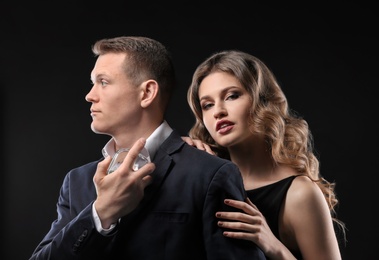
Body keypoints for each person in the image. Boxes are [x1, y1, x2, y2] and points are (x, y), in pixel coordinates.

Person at [29, 37, 266, 259]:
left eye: (103, 82)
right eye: (92, 84)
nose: (90, 96)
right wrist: (100, 214)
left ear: (147, 93)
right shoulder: (77, 182)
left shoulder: (210, 174)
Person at [184, 50, 347, 259]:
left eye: (232, 96)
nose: (218, 111)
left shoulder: (299, 194)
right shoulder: (204, 178)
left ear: (263, 101)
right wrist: (177, 155)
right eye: (207, 105)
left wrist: (271, 244)